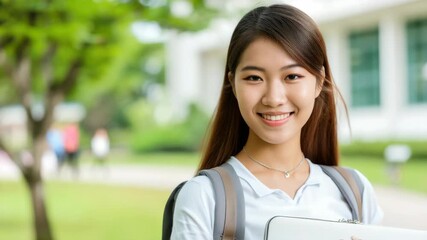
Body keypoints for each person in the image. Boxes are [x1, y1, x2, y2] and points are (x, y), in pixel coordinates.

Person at [170, 4, 383, 240]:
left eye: (292, 76)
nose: (273, 98)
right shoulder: (204, 196)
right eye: (254, 78)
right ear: (233, 83)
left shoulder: (355, 191)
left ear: (319, 81)